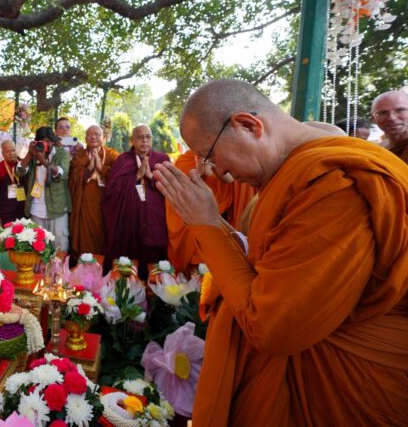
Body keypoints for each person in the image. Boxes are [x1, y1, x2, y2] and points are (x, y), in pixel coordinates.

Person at [153, 79, 408, 426]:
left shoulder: (336, 187)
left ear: (249, 125)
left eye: (211, 156)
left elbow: (273, 326)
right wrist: (214, 223)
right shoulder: (292, 169)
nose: (220, 173)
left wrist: (207, 225)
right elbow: (268, 262)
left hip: (347, 388)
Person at [165, 150, 255, 273]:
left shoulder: (225, 154)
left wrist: (212, 173)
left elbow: (229, 185)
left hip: (218, 219)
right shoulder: (185, 161)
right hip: (193, 224)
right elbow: (177, 200)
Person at [102, 124, 168, 279]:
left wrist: (150, 176)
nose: (144, 140)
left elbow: (171, 188)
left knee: (154, 263)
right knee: (128, 258)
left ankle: (154, 294)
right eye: (139, 137)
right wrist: (136, 177)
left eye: (147, 137)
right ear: (132, 140)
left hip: (154, 219)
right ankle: (125, 288)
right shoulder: (123, 160)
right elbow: (111, 190)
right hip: (129, 220)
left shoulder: (162, 159)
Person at [68, 125, 119, 259]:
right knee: (84, 238)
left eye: (97, 134)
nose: (93, 137)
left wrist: (101, 167)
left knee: (103, 236)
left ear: (103, 137)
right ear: (85, 138)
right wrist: (88, 169)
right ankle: (82, 266)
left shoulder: (112, 155)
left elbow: (119, 177)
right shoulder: (78, 155)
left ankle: (101, 267)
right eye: (90, 134)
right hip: (83, 205)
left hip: (104, 204)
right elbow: (72, 179)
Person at [18, 127, 71, 252]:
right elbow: (19, 173)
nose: (45, 144)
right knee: (38, 246)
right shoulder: (33, 153)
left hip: (56, 207)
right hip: (36, 208)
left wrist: (42, 160)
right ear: (36, 142)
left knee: (59, 244)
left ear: (53, 142)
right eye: (42, 141)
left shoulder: (61, 153)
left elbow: (60, 175)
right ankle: (39, 272)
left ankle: (58, 271)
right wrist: (30, 154)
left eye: (48, 141)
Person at [0, 140, 25, 225]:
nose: (11, 153)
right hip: (5, 212)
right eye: (7, 151)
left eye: (13, 150)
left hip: (23, 210)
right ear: (2, 153)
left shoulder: (23, 165)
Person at [371, 90, 408, 162]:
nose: (391, 118)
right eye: (382, 113)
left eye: (400, 110)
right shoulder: (377, 150)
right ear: (373, 119)